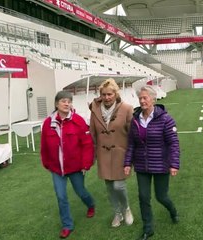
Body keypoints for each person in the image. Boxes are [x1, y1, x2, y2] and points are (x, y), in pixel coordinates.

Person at [124, 86, 180, 240]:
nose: (142, 101)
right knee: (143, 197)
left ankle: (173, 211)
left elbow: (173, 143)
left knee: (161, 196)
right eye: (140, 98)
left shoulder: (165, 119)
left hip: (161, 164)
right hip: (142, 165)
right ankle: (148, 228)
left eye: (145, 98)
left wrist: (174, 164)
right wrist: (127, 163)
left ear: (153, 99)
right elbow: (131, 144)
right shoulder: (135, 119)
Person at [40, 90, 95, 239]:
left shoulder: (78, 120)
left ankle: (91, 205)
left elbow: (87, 144)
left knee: (81, 191)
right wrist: (46, 162)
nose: (67, 104)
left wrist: (86, 164)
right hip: (57, 168)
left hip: (76, 166)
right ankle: (67, 225)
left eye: (69, 101)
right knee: (61, 196)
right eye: (63, 101)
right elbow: (44, 145)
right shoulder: (48, 123)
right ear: (57, 104)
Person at [89, 78, 134, 227]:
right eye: (104, 94)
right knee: (109, 187)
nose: (107, 97)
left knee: (118, 186)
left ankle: (126, 208)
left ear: (116, 93)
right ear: (100, 95)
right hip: (103, 154)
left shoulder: (127, 108)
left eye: (110, 94)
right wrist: (93, 155)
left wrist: (131, 156)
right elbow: (92, 133)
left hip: (121, 154)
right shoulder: (94, 109)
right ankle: (117, 213)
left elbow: (132, 134)